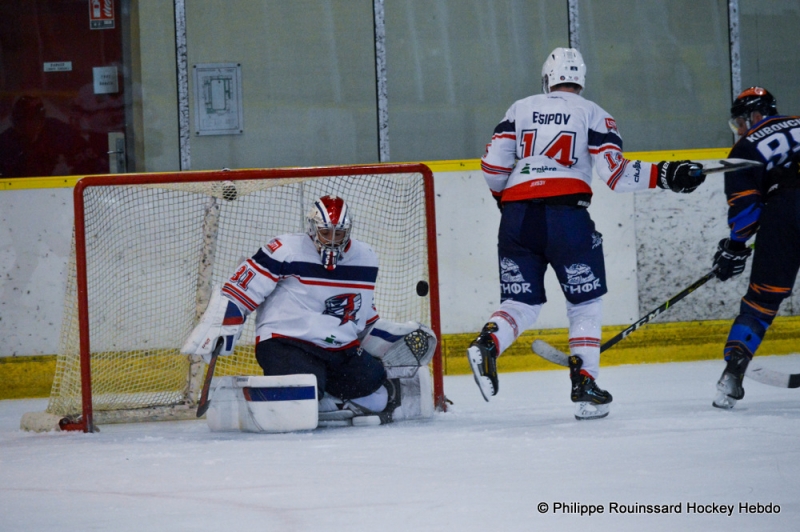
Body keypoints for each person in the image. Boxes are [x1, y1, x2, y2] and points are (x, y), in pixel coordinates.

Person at [468, 47, 706, 420]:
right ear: (581, 80)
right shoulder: (594, 113)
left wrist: (507, 202)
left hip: (516, 218)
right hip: (566, 218)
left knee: (521, 304)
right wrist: (666, 174)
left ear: (547, 78)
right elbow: (616, 174)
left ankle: (489, 343)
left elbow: (493, 165)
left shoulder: (520, 107)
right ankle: (585, 386)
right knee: (584, 305)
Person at [182, 194, 435, 425]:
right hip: (287, 343)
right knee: (308, 384)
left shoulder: (366, 256)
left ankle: (321, 404)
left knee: (373, 380)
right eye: (326, 232)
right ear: (312, 228)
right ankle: (322, 402)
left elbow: (361, 308)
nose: (333, 239)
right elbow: (242, 288)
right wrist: (224, 322)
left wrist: (386, 332)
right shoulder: (285, 249)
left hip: (338, 349)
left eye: (339, 233)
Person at [710, 87, 800, 409]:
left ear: (756, 115)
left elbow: (747, 214)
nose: (739, 129)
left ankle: (732, 374)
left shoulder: (745, 147)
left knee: (761, 302)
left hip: (782, 212)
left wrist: (735, 247)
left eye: (740, 121)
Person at [0, 95, 97, 177]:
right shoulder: (5, 142)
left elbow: (92, 164)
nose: (26, 125)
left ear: (41, 120)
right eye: (21, 120)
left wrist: (69, 172)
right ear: (14, 121)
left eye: (31, 119)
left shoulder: (60, 131)